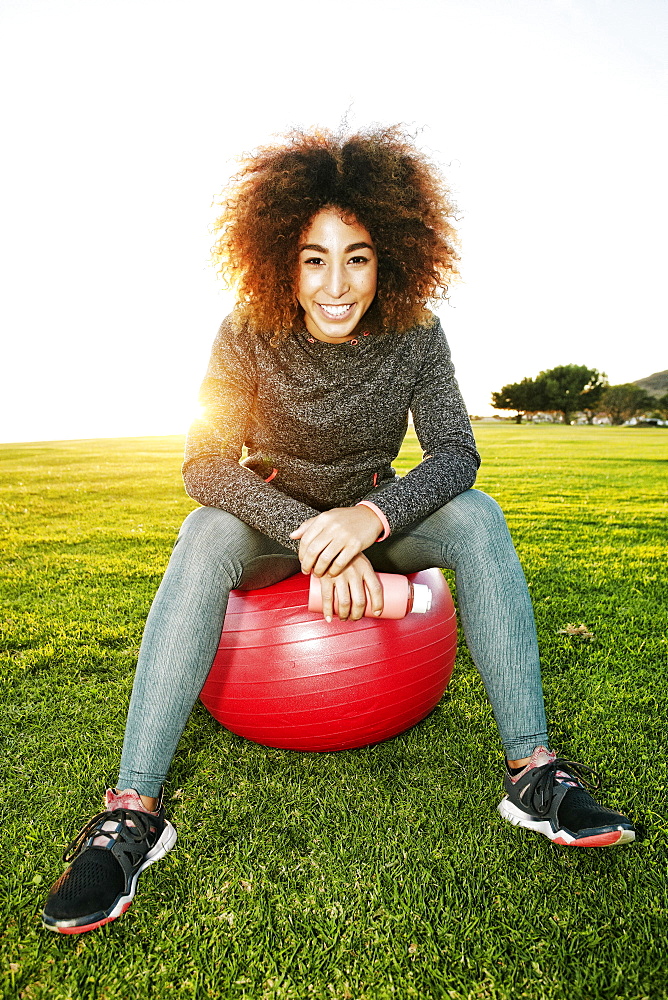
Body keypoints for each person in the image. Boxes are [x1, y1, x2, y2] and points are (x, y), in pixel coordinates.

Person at [41, 126, 635, 935]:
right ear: (281, 258)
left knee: (480, 515)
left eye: (356, 256)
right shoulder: (245, 329)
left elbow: (457, 454)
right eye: (314, 258)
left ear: (389, 255)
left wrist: (367, 519)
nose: (335, 284)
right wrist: (312, 531)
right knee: (202, 533)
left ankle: (534, 773)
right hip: (271, 522)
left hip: (374, 511)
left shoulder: (416, 333)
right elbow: (207, 464)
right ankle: (133, 813)